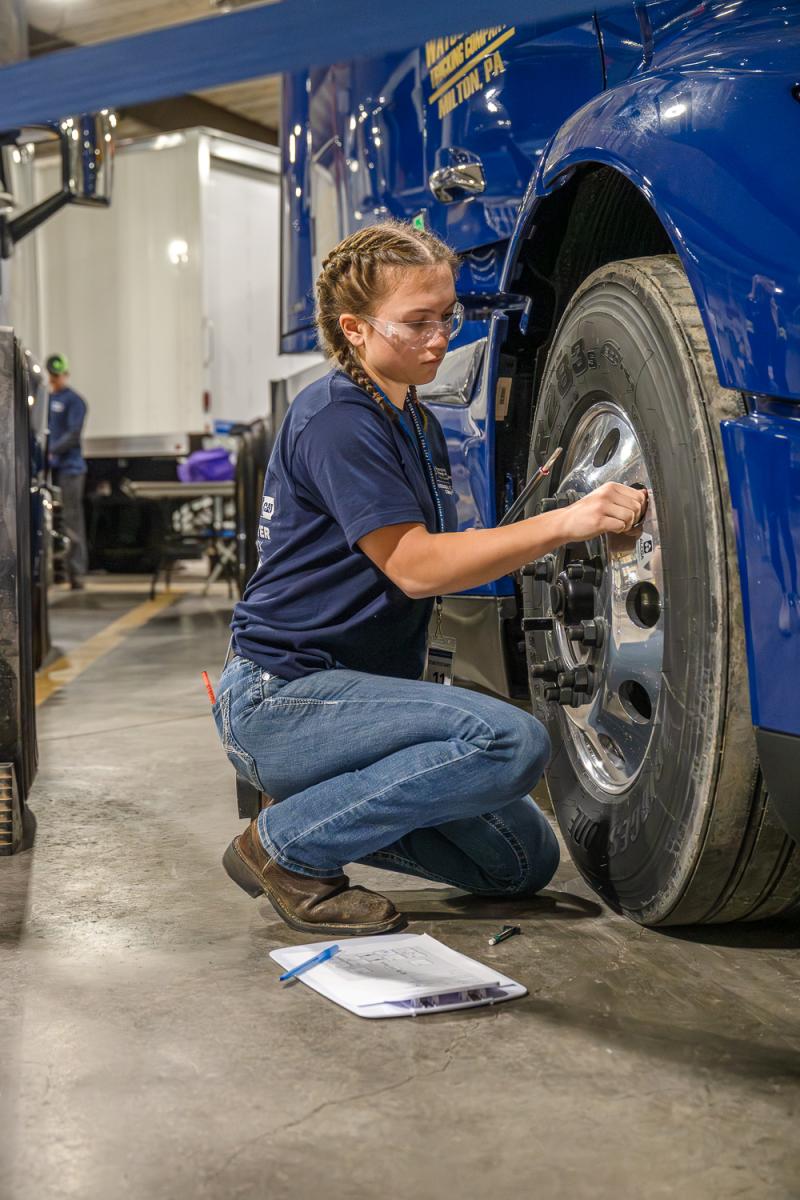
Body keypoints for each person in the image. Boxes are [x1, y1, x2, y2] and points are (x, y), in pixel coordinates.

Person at [213, 220, 647, 937]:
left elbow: (448, 556)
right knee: (510, 744)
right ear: (354, 328)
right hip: (283, 698)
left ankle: (307, 808)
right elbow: (416, 569)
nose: (439, 337)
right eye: (417, 321)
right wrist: (569, 521)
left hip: (359, 702)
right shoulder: (336, 418)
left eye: (447, 317)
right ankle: (284, 849)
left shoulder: (415, 417)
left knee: (519, 862)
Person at [47, 353, 89, 591]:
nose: (55, 381)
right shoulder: (48, 399)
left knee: (72, 522)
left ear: (66, 374)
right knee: (58, 524)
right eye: (52, 377)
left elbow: (73, 435)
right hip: (52, 470)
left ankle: (77, 572)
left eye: (58, 376)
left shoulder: (75, 401)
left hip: (71, 470)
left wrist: (52, 450)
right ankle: (60, 571)